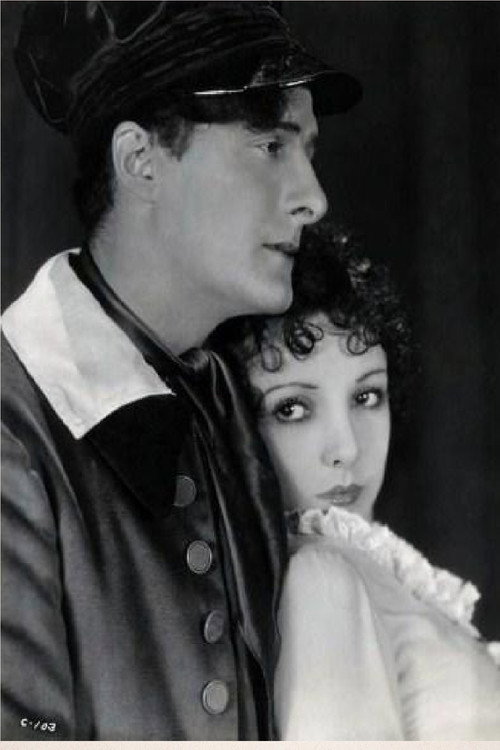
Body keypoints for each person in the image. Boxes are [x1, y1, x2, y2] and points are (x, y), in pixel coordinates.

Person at [1, 2, 362, 741]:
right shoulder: (16, 427)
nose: (313, 199)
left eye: (308, 150)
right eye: (270, 145)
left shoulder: (231, 400)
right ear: (140, 161)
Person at [215, 220, 500, 739]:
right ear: (233, 427)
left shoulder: (368, 574)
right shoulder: (319, 577)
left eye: (367, 396)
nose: (346, 448)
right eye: (292, 408)